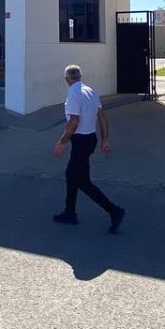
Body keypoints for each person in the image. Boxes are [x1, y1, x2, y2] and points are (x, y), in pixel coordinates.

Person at [52, 64, 125, 233]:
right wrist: (104, 139)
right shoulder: (90, 91)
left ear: (66, 79)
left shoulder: (73, 94)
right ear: (80, 76)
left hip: (81, 141)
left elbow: (74, 121)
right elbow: (102, 116)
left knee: (82, 181)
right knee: (72, 175)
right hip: (90, 139)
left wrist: (62, 142)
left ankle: (114, 210)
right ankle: (70, 212)